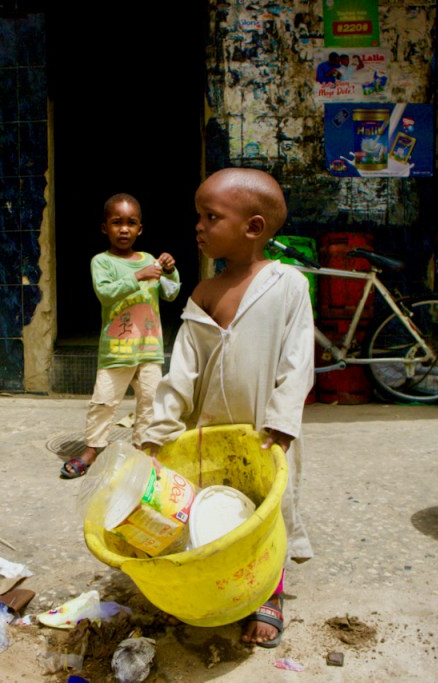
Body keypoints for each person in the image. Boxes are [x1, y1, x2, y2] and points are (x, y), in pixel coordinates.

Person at [141, 168, 314, 647]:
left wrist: (282, 424)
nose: (198, 226)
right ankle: (207, 586)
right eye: (199, 216)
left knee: (267, 511)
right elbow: (182, 372)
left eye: (211, 216)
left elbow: (297, 362)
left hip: (266, 432)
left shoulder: (288, 285)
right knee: (208, 509)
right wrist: (159, 430)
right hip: (208, 432)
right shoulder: (204, 293)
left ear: (253, 227)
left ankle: (268, 592)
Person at [60, 193, 181, 479]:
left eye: (131, 223)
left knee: (150, 402)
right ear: (105, 228)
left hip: (149, 349)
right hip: (117, 350)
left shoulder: (149, 260)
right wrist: (137, 276)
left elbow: (171, 294)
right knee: (103, 402)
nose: (124, 229)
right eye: (117, 222)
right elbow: (105, 293)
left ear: (140, 228)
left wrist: (171, 271)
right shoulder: (102, 262)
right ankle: (93, 448)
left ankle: (143, 450)